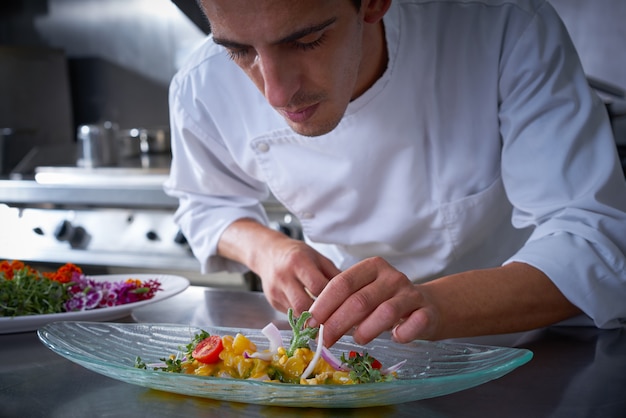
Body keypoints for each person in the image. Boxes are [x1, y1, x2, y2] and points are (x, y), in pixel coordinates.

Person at [164, 0, 626, 347]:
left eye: (305, 41)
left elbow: (593, 238)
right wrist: (270, 251)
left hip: (528, 347)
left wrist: (432, 305)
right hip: (355, 356)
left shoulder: (504, 28)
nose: (276, 94)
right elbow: (205, 204)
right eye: (239, 51)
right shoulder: (201, 84)